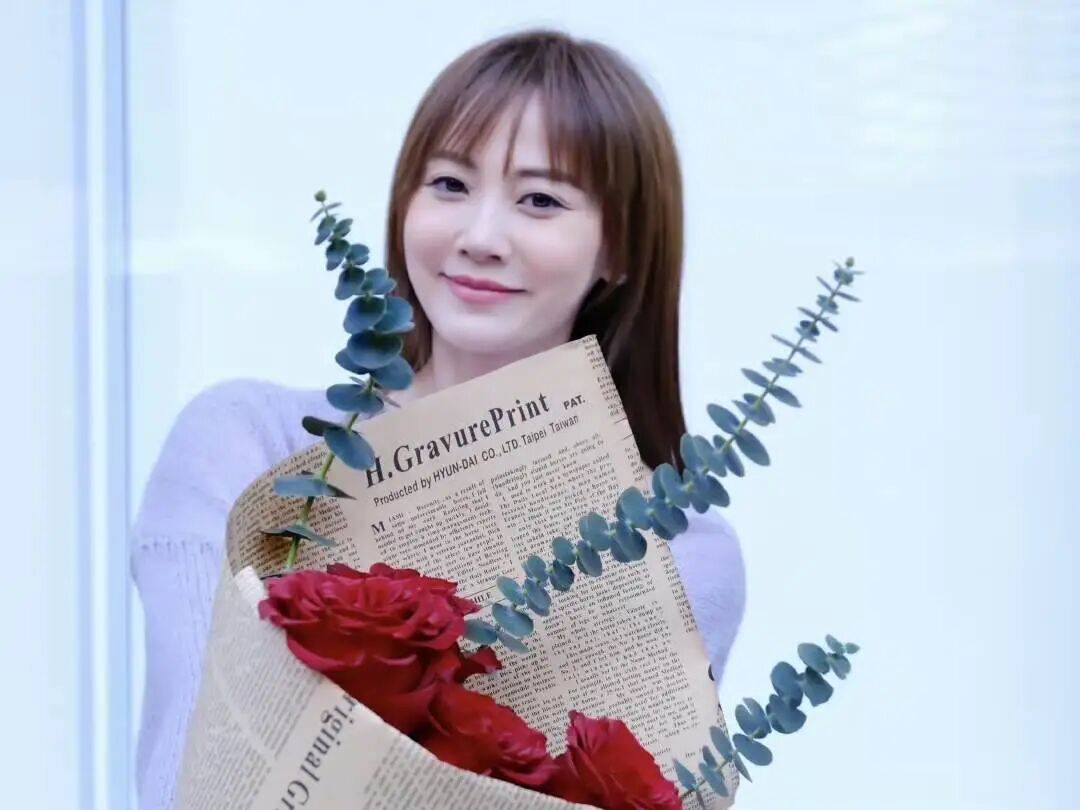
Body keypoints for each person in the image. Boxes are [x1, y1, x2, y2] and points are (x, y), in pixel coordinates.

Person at [130, 27, 745, 810]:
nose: (480, 238)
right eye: (450, 184)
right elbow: (180, 772)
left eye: (540, 200)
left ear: (618, 249)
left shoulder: (682, 552)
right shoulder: (243, 442)